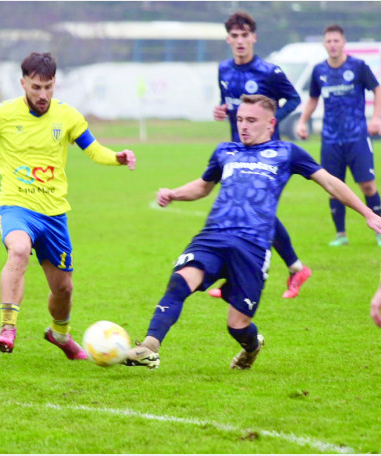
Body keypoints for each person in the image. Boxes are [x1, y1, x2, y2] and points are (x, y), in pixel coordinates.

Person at [125, 94, 381, 370]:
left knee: (237, 325)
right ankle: (149, 347)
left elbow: (330, 182)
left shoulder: (287, 153)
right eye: (239, 120)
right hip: (213, 236)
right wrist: (173, 193)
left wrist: (368, 213)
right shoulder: (225, 151)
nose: (243, 126)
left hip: (253, 246)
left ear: (271, 124)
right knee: (179, 283)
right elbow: (203, 186)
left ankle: (252, 346)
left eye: (251, 120)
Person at [0, 52, 136, 359]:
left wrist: (116, 158)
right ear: (23, 83)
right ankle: (7, 328)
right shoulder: (3, 113)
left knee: (63, 289)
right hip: (16, 206)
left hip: (54, 214)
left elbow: (94, 150)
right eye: (36, 87)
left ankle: (60, 334)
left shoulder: (68, 116)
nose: (43, 95)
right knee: (18, 250)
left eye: (48, 87)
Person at [211, 11, 311, 299]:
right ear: (228, 39)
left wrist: (272, 121)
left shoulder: (269, 72)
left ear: (253, 37)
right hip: (237, 152)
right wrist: (221, 110)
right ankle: (295, 268)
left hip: (268, 153)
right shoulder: (223, 69)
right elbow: (228, 104)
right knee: (248, 211)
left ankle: (239, 279)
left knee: (253, 211)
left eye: (245, 35)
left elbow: (294, 98)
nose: (240, 41)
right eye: (235, 36)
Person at [296, 24, 381, 247]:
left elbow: (377, 89)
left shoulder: (358, 66)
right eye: (329, 41)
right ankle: (341, 235)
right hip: (331, 140)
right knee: (333, 187)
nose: (332, 45)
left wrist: (376, 118)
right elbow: (313, 99)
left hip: (357, 137)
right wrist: (303, 122)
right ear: (324, 44)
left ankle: (379, 230)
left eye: (336, 41)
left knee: (368, 186)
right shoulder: (319, 70)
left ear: (343, 43)